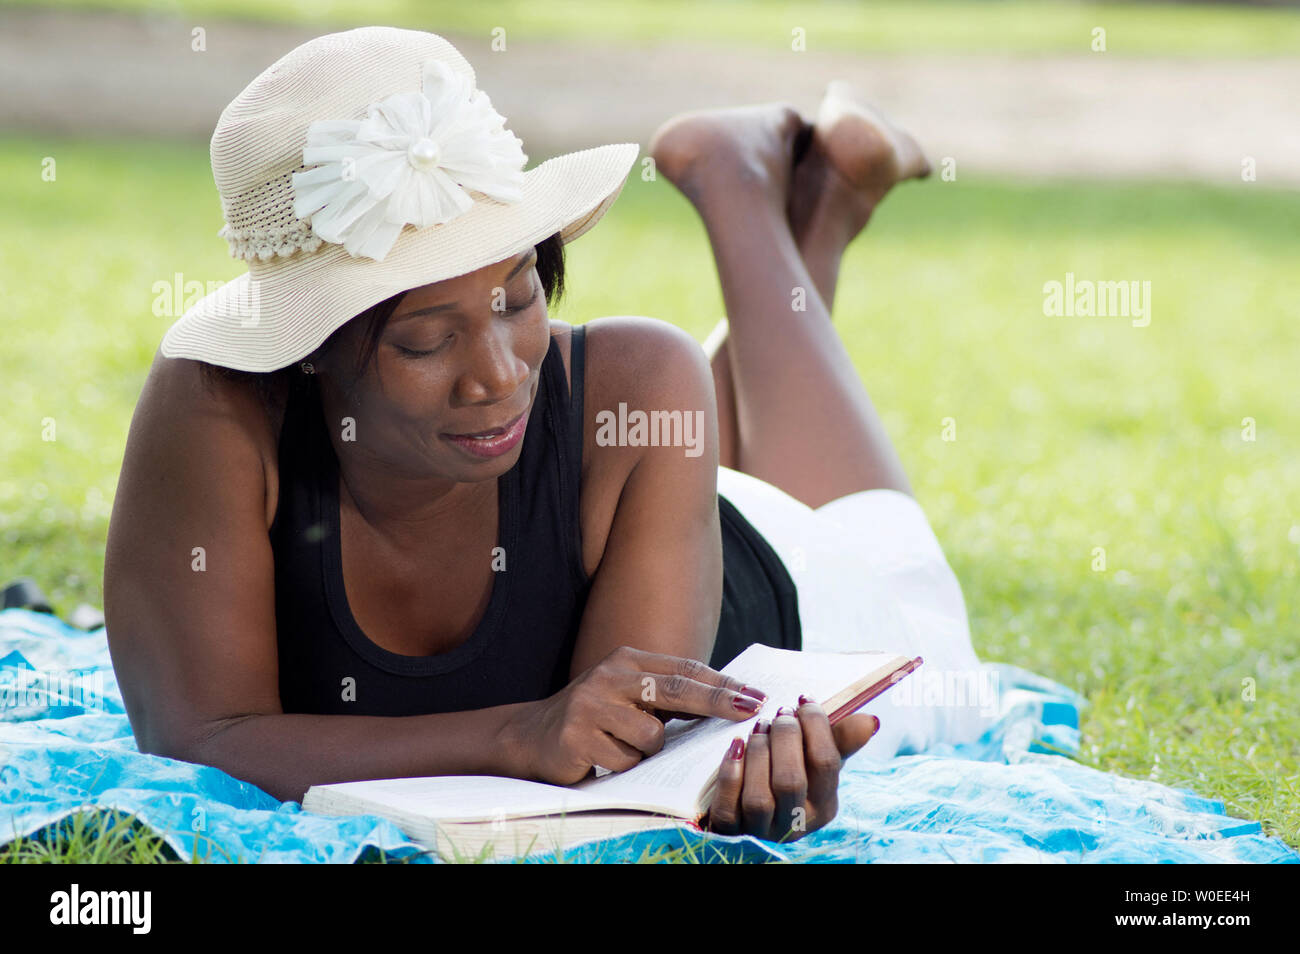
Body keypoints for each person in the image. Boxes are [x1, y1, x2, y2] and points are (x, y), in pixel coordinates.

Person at [104, 27, 985, 846]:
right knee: (644, 430)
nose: (496, 374)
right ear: (305, 350)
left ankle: (741, 188)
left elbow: (617, 775)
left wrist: (701, 784)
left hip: (796, 585)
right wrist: (512, 734)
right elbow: (196, 738)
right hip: (639, 493)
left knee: (924, 611)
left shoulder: (639, 378)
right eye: (425, 339)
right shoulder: (217, 409)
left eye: (519, 298)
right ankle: (823, 199)